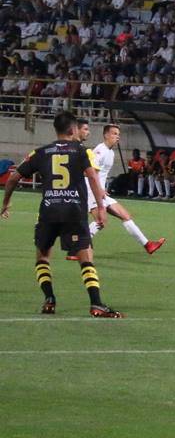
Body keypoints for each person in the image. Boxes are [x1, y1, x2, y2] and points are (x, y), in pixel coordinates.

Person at [1, 111, 123, 317]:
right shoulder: (82, 151)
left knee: (42, 258)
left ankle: (49, 300)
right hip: (74, 211)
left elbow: (13, 179)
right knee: (86, 258)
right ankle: (96, 304)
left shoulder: (40, 152)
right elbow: (93, 178)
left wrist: (6, 203)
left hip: (48, 211)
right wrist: (101, 208)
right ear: (72, 129)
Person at [85, 123, 164, 255]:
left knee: (126, 216)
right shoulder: (100, 150)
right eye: (114, 134)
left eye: (118, 134)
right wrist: (99, 189)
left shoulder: (110, 151)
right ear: (106, 135)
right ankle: (78, 248)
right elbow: (90, 172)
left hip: (100, 191)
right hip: (92, 191)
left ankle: (148, 245)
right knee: (101, 221)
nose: (117, 137)